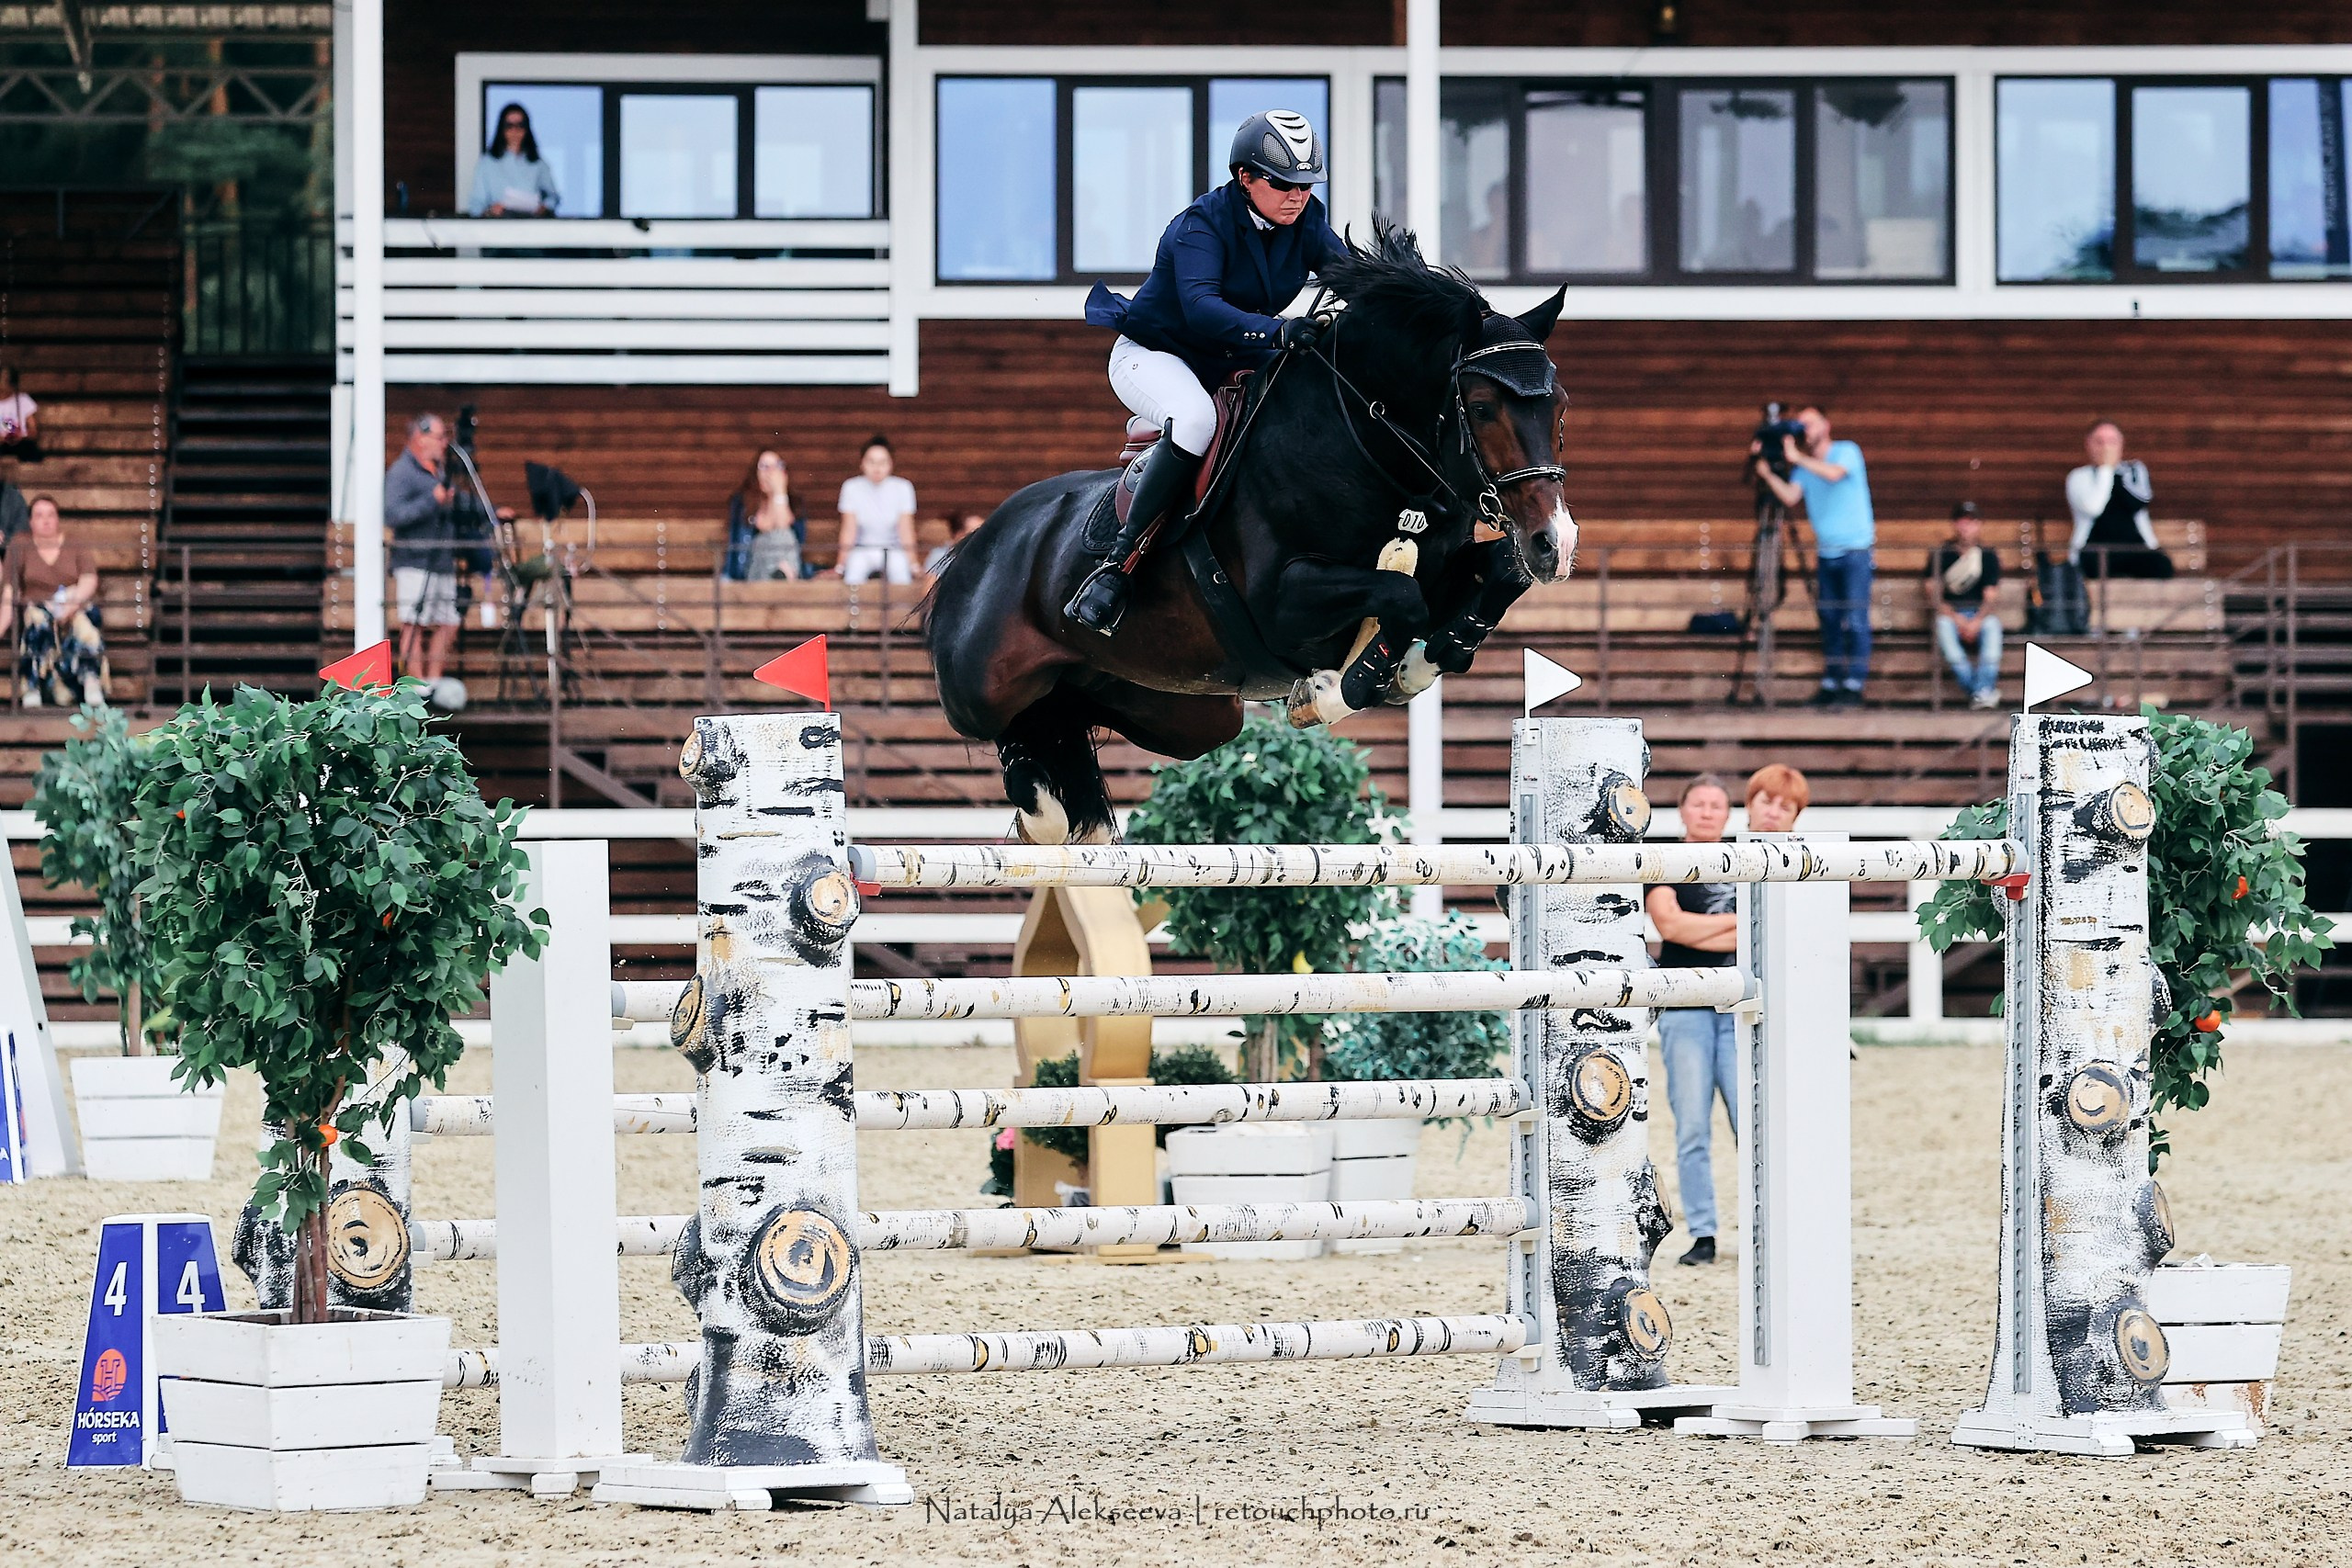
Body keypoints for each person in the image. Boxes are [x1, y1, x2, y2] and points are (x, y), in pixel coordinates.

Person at [1069, 108, 1340, 635]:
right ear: (1245, 178)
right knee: (1195, 420)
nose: (1297, 196)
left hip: (1234, 360)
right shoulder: (1200, 225)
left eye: (1305, 186)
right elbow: (1201, 309)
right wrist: (1280, 331)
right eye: (1283, 184)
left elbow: (1350, 274)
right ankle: (1116, 569)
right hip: (1154, 356)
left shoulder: (1306, 219)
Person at [1645, 774, 1740, 1267]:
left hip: (1737, 1006)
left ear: (1727, 813)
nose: (1706, 812)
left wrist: (1703, 931)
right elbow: (1670, 925)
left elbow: (1751, 930)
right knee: (1692, 1127)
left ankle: (1765, 1223)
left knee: (1752, 1122)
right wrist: (1735, 928)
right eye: (1698, 803)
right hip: (1684, 1003)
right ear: (1683, 810)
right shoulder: (1665, 859)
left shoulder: (1744, 858)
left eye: (1715, 804)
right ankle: (1703, 1231)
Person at [1754, 405, 1876, 707]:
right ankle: (1833, 680)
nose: (1806, 428)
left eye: (1811, 422)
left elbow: (1834, 474)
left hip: (1856, 549)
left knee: (1857, 619)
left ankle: (1854, 684)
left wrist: (1798, 459)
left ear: (1827, 425)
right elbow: (1791, 496)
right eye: (1802, 424)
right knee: (1830, 618)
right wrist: (1767, 472)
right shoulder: (1803, 468)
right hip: (1827, 552)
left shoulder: (1847, 451)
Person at [0, 495, 106, 707]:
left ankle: (91, 681)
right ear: (30, 522)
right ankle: (32, 685)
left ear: (57, 519)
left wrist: (72, 604)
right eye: (39, 516)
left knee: (84, 624)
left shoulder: (74, 543)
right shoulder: (21, 544)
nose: (46, 520)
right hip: (38, 608)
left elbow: (89, 579)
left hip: (72, 604)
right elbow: (10, 591)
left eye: (50, 515)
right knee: (36, 619)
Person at [385, 412, 461, 687]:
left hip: (442, 559)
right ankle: (415, 688)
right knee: (413, 623)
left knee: (448, 621)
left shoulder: (439, 470)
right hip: (414, 560)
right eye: (439, 437)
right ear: (420, 437)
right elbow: (393, 515)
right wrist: (432, 500)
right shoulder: (401, 473)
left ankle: (434, 682)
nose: (444, 443)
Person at [2065, 422, 2174, 581]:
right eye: (2099, 442)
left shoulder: (2134, 471)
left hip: (2134, 549)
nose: (2106, 448)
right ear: (2088, 445)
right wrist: (2106, 470)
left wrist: (2117, 473)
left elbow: (2139, 501)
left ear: (2121, 445)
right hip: (2094, 551)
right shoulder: (2078, 477)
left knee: (2161, 567)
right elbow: (2094, 507)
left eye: (2112, 442)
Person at [1925, 502, 2004, 709]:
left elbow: (1991, 597)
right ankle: (1982, 692)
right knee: (1944, 631)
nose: (1966, 527)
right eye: (1962, 521)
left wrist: (1976, 621)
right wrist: (1957, 619)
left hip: (1979, 615)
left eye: (1971, 522)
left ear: (1979, 525)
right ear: (1954, 524)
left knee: (1992, 628)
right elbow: (1933, 594)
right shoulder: (1941, 553)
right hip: (1951, 615)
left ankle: (1980, 692)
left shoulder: (1987, 555)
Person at [828, 434, 918, 585]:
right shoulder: (851, 487)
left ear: (891, 464)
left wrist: (914, 565)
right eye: (871, 462)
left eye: (883, 462)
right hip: (862, 549)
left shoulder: (903, 487)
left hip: (893, 549)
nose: (877, 467)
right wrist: (840, 566)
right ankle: (853, 610)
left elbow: (906, 530)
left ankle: (902, 610)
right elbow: (849, 530)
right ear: (862, 463)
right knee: (853, 575)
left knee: (901, 575)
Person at [468, 102, 560, 217]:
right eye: (509, 125)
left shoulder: (538, 163)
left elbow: (553, 197)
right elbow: (475, 206)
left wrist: (544, 207)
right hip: (497, 227)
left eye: (520, 125)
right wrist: (491, 211)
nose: (515, 130)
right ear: (501, 128)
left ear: (527, 128)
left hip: (532, 226)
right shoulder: (487, 163)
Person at [726, 450, 803, 581]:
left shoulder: (794, 503)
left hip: (784, 567)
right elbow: (767, 526)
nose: (771, 473)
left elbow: (783, 526)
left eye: (777, 466)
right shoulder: (742, 502)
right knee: (773, 538)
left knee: (785, 536)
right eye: (765, 467)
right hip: (751, 569)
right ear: (755, 473)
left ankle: (781, 574)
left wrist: (779, 493)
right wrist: (777, 492)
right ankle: (782, 575)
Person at [1745, 762, 1809, 835]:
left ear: (1796, 816)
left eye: (1785, 808)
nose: (1773, 814)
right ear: (1749, 804)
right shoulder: (1729, 846)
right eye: (1767, 802)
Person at [925, 508, 987, 578]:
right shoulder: (941, 556)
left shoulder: (987, 557)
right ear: (959, 535)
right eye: (974, 534)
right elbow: (929, 586)